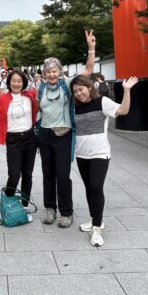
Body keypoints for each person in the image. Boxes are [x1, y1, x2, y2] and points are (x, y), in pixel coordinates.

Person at [36, 30, 96, 228]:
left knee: (63, 174)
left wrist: (91, 48)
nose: (52, 74)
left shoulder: (68, 84)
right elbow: (39, 110)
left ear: (60, 72)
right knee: (47, 173)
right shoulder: (42, 88)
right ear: (44, 74)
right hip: (45, 134)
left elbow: (87, 71)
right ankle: (50, 209)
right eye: (48, 72)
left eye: (55, 71)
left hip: (63, 133)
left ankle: (67, 212)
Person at [71, 74, 138, 246]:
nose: (79, 93)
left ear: (89, 87)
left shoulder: (102, 102)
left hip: (100, 153)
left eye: (81, 89)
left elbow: (123, 111)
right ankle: (95, 218)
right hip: (81, 153)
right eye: (75, 91)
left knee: (95, 186)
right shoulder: (75, 106)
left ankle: (96, 228)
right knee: (88, 187)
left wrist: (127, 91)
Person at [0, 69, 38, 220]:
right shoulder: (2, 99)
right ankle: (7, 203)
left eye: (19, 81)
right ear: (9, 82)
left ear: (24, 82)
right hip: (13, 140)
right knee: (14, 175)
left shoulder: (31, 95)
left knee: (28, 175)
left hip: (30, 138)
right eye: (13, 81)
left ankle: (24, 206)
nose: (16, 84)